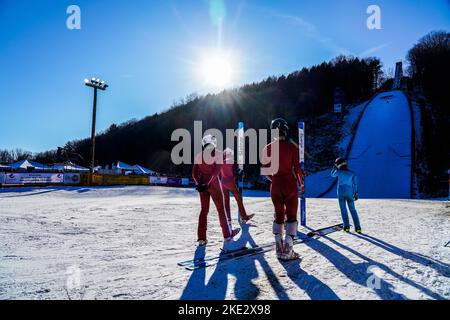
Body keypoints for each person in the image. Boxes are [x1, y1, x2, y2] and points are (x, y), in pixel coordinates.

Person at [262, 118, 304, 260]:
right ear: (285, 131)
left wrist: (274, 180)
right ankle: (289, 249)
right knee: (291, 216)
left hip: (275, 184)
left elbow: (265, 171)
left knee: (278, 215)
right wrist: (301, 184)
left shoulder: (267, 148)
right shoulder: (292, 147)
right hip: (289, 184)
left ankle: (278, 248)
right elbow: (298, 169)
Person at [192, 134, 241, 250]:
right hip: (213, 184)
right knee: (221, 209)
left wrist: (199, 183)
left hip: (202, 185)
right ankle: (227, 235)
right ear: (213, 143)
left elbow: (194, 173)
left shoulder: (199, 155)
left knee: (204, 210)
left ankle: (201, 238)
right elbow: (216, 172)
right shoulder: (218, 153)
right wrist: (208, 183)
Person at [221, 148, 255, 224]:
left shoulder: (221, 163)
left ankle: (227, 218)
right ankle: (244, 216)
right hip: (230, 182)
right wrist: (241, 173)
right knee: (239, 199)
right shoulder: (233, 162)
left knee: (226, 201)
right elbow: (237, 173)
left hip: (223, 183)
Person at [331, 158, 362, 234]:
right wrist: (356, 193)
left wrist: (334, 167)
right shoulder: (352, 173)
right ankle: (357, 227)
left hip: (341, 193)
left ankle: (346, 226)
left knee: (343, 209)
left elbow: (332, 175)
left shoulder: (338, 172)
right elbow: (355, 184)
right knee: (353, 210)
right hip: (349, 193)